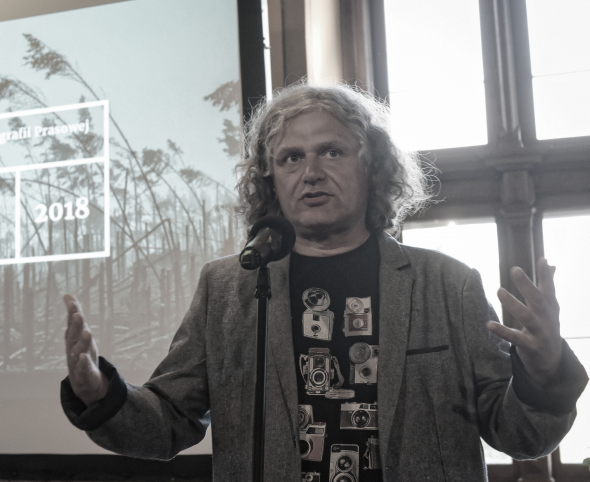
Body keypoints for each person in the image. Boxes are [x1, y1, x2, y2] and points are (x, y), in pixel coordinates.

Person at [60, 82, 588, 482]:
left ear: (372, 166)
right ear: (270, 178)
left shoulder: (446, 284)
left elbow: (519, 435)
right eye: (291, 158)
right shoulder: (230, 287)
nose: (310, 171)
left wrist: (542, 372)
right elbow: (168, 422)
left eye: (331, 151)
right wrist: (100, 393)